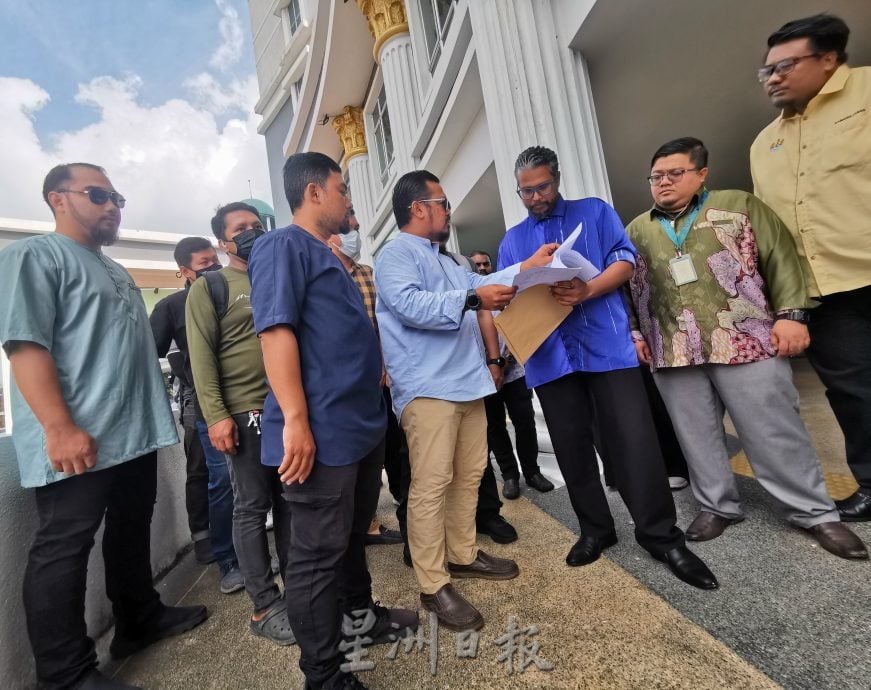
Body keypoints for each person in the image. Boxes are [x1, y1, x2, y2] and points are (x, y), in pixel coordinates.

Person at [0, 163, 207, 690]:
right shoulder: (34, 256)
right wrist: (58, 427)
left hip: (133, 433)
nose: (112, 206)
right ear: (57, 198)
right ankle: (65, 675)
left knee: (131, 525)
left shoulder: (112, 268)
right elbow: (25, 346)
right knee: (63, 547)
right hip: (78, 437)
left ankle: (138, 620)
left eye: (117, 198)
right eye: (98, 195)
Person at [626, 137, 866, 560]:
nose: (664, 182)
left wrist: (792, 315)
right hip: (674, 349)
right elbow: (625, 287)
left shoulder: (740, 205)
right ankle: (717, 506)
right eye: (656, 176)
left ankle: (814, 512)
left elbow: (781, 258)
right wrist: (635, 332)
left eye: (675, 173)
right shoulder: (636, 230)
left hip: (747, 339)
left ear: (701, 173)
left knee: (774, 429)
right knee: (696, 436)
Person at [498, 146, 717, 590]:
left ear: (557, 178)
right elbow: (506, 293)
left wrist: (589, 288)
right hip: (549, 355)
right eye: (526, 192)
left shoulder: (594, 212)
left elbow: (626, 260)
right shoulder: (511, 240)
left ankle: (661, 537)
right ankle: (596, 530)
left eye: (542, 187)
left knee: (634, 441)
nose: (535, 197)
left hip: (605, 346)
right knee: (572, 448)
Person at [248, 152, 417, 690]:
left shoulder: (330, 256)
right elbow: (275, 333)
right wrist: (295, 421)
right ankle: (323, 677)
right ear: (314, 192)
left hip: (359, 427)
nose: (349, 201)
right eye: (342, 189)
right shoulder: (283, 246)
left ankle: (361, 618)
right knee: (316, 557)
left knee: (348, 540)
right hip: (320, 434)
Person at [375, 169, 556, 631]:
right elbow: (410, 305)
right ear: (418, 208)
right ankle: (433, 583)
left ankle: (461, 554)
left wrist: (527, 266)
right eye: (442, 203)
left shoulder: (448, 261)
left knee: (470, 474)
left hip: (467, 383)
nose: (448, 210)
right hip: (428, 388)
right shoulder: (394, 255)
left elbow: (481, 284)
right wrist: (473, 299)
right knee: (431, 483)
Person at [750, 14, 871, 521]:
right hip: (824, 290)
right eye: (767, 70)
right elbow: (772, 234)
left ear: (828, 59)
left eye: (786, 65)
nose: (773, 77)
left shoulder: (866, 94)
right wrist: (787, 304)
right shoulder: (764, 143)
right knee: (853, 392)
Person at [186, 202, 294, 644]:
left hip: (288, 411)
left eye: (256, 225)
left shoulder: (278, 276)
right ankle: (264, 605)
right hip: (246, 413)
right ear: (222, 243)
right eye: (241, 228)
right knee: (252, 506)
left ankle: (299, 590)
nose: (252, 232)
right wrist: (216, 417)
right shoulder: (211, 287)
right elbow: (201, 358)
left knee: (290, 501)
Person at [150, 237, 242, 591]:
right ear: (184, 271)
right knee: (216, 479)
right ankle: (221, 553)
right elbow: (152, 353)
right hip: (204, 405)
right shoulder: (172, 307)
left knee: (248, 483)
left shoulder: (232, 291)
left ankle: (249, 553)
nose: (212, 267)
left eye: (214, 260)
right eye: (203, 264)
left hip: (246, 400)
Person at [325, 209, 403, 547]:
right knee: (353, 458)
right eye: (349, 225)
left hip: (379, 381)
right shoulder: (321, 277)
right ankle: (363, 526)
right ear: (332, 237)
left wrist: (385, 365)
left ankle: (405, 510)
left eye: (356, 225)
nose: (355, 230)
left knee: (393, 448)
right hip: (342, 388)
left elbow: (383, 325)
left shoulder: (369, 274)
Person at [469, 249, 553, 499]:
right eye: (477, 265)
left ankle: (532, 472)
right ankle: (509, 476)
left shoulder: (506, 293)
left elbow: (523, 327)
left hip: (515, 372)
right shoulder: (470, 301)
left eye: (485, 264)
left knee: (525, 422)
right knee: (495, 427)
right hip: (485, 377)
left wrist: (509, 359)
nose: (482, 268)